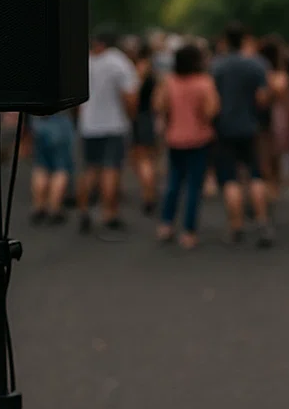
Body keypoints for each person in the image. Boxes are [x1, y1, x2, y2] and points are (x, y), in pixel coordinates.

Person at [209, 22, 275, 246]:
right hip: (250, 126)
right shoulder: (256, 64)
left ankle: (236, 226)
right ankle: (262, 222)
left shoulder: (216, 66)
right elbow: (263, 98)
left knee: (230, 179)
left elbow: (212, 101)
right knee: (256, 175)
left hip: (225, 127)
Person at [154, 43, 221, 249]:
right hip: (199, 138)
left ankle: (166, 224)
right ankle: (189, 231)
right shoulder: (204, 82)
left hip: (175, 137)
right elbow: (211, 110)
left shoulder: (169, 81)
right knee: (193, 186)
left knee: (173, 183)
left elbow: (159, 105)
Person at [76, 25, 140, 235]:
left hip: (89, 124)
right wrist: (131, 116)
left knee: (90, 169)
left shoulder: (84, 62)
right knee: (111, 169)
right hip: (114, 124)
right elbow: (130, 96)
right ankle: (109, 213)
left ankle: (84, 210)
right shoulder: (119, 62)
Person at [255, 35, 289, 198]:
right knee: (274, 153)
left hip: (269, 116)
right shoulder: (280, 74)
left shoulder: (264, 74)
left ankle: (270, 183)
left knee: (266, 152)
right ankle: (272, 183)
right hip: (278, 116)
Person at [28, 107, 76, 225]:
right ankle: (55, 208)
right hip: (59, 121)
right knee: (61, 168)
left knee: (41, 167)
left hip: (38, 120)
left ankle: (39, 206)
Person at [130, 41, 161, 217]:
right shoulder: (154, 71)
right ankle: (150, 193)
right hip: (149, 117)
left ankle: (148, 196)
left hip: (140, 117)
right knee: (149, 159)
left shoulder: (140, 69)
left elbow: (134, 94)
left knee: (142, 160)